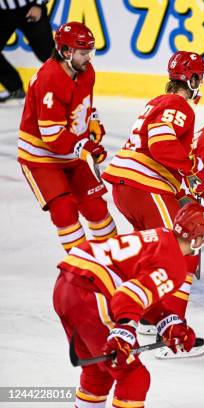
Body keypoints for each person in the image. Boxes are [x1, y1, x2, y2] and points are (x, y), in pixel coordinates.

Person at [101, 50, 204, 356]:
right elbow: (161, 145)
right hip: (145, 187)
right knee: (183, 251)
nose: (200, 82)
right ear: (189, 79)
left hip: (128, 189)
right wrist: (192, 169)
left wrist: (183, 180)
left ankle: (151, 320)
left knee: (152, 256)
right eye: (198, 77)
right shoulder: (178, 105)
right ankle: (171, 332)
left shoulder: (158, 102)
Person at [53, 202, 204, 408]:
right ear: (197, 239)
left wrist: (167, 322)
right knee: (133, 377)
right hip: (90, 294)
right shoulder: (174, 265)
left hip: (67, 285)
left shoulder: (161, 236)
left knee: (98, 372)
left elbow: (138, 289)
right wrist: (123, 332)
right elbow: (128, 296)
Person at [17, 21, 116, 253]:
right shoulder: (49, 80)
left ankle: (115, 258)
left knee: (96, 208)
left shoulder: (85, 71)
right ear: (65, 52)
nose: (88, 58)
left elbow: (84, 104)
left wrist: (92, 120)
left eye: (90, 52)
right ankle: (82, 265)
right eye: (83, 53)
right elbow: (52, 136)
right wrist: (85, 147)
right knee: (64, 210)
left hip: (72, 153)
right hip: (41, 158)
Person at [0, 0, 54, 103]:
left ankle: (71, 87)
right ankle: (14, 88)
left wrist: (38, 5)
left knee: (47, 53)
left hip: (30, 7)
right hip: (4, 12)